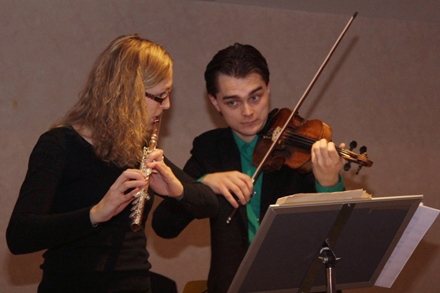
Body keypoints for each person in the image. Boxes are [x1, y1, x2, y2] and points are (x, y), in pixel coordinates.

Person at [6, 34, 218, 293]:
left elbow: (209, 202)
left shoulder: (138, 149)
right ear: (129, 94)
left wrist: (177, 190)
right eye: (161, 96)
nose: (167, 105)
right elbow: (19, 235)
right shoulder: (59, 145)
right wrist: (95, 214)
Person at [152, 43, 345, 293]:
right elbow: (165, 227)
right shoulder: (209, 150)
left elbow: (337, 238)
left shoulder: (298, 148)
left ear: (268, 88)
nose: (248, 112)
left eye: (256, 97)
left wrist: (329, 184)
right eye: (232, 102)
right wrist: (201, 185)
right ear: (215, 102)